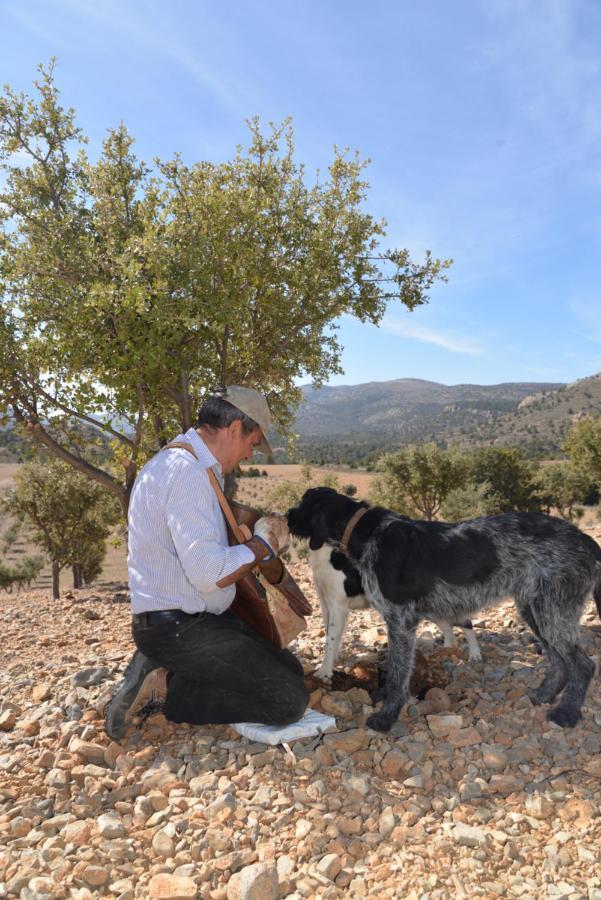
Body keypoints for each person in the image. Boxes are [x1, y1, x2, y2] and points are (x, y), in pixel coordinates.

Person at [105, 386, 308, 741]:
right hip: (179, 627)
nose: (249, 453)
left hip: (194, 620)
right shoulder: (186, 473)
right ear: (233, 428)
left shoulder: (184, 465)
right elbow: (208, 572)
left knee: (288, 666)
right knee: (288, 701)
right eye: (253, 442)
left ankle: (168, 669)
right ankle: (167, 691)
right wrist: (264, 544)